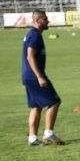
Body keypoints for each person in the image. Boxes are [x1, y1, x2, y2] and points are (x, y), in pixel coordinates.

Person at [22, 9, 64, 147]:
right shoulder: (34, 35)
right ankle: (48, 133)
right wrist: (40, 76)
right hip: (35, 76)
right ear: (39, 20)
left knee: (36, 106)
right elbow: (30, 56)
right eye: (45, 19)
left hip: (28, 76)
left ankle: (33, 138)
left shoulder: (32, 34)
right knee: (55, 101)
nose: (48, 21)